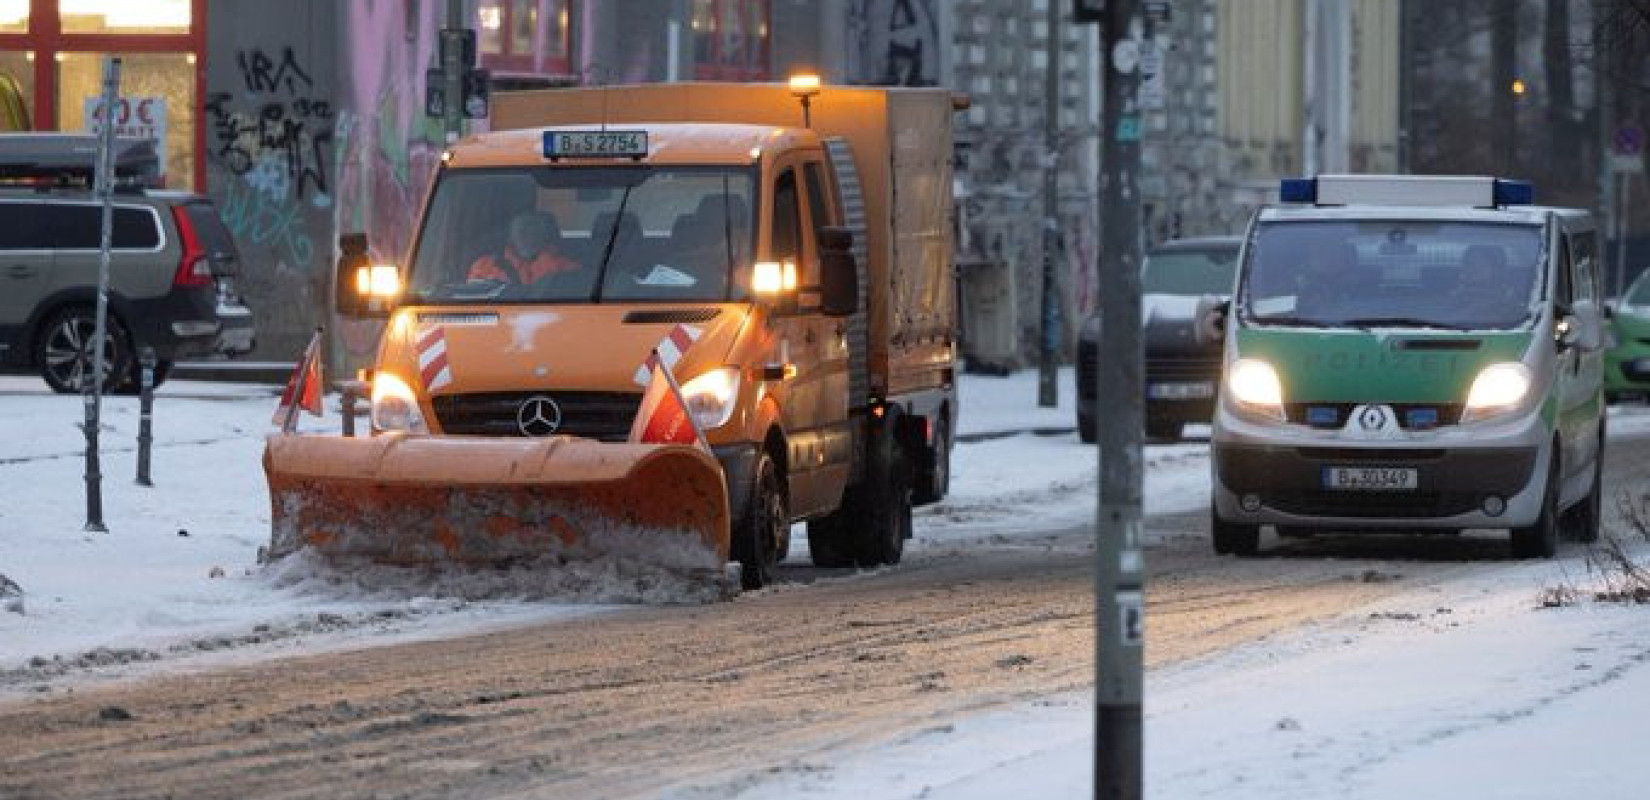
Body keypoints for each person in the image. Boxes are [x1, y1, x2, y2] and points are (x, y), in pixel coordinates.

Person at [467, 211, 578, 284]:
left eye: (534, 231)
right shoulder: (485, 265)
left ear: (545, 236)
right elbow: (472, 300)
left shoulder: (564, 267)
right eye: (521, 230)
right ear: (510, 237)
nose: (527, 237)